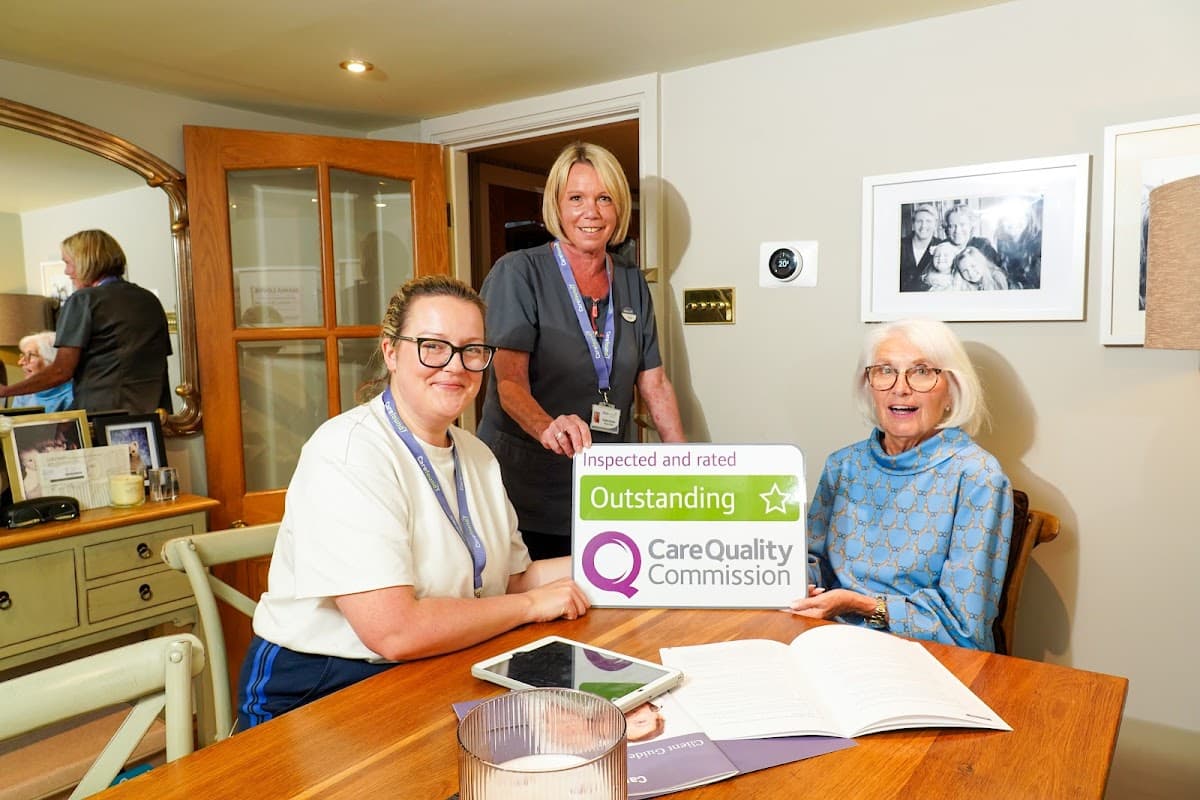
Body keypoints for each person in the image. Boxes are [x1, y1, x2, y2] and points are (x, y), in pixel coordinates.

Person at [238, 275, 590, 730]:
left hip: (436, 664)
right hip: (320, 687)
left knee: (578, 731)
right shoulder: (347, 451)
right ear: (391, 352)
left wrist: (636, 557)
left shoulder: (477, 454)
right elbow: (395, 631)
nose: (455, 366)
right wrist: (532, 607)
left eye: (471, 350)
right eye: (433, 346)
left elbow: (514, 580)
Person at [477, 142, 686, 559]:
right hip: (528, 487)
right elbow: (510, 385)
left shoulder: (630, 280)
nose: (591, 212)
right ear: (556, 206)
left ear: (619, 208)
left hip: (605, 485)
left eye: (604, 198)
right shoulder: (518, 273)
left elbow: (655, 382)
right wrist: (549, 428)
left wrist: (685, 465)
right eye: (576, 198)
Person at [790, 319, 1013, 651]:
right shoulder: (843, 465)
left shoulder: (978, 477)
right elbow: (812, 560)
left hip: (927, 656)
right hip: (829, 642)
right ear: (869, 386)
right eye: (885, 371)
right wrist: (796, 583)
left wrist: (861, 605)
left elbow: (964, 629)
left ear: (952, 390)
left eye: (921, 371)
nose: (900, 388)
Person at [0, 230, 173, 414]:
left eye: (68, 263)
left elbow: (60, 371)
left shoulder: (83, 300)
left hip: (102, 415)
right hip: (150, 415)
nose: (67, 271)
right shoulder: (149, 300)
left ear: (86, 261)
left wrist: (6, 391)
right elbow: (160, 366)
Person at [926, 206, 1000, 289]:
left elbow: (997, 275)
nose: (957, 230)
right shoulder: (941, 249)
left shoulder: (982, 245)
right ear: (947, 229)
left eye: (962, 224)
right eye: (952, 226)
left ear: (971, 226)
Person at [9, 331, 74, 412]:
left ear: (52, 360)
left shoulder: (73, 394)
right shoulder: (23, 394)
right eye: (23, 355)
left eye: (30, 355)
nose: (20, 362)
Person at [995, 201, 1042, 290]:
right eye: (1007, 218)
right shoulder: (1002, 244)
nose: (1013, 222)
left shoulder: (1040, 242)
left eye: (1019, 217)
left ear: (1028, 219)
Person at [899, 205, 943, 292]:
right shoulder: (900, 244)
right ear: (913, 224)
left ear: (935, 225)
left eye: (928, 221)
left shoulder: (941, 246)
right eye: (919, 221)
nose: (923, 226)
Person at [944, 246, 1009, 292]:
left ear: (981, 262)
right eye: (965, 271)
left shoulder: (997, 277)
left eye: (973, 266)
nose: (970, 273)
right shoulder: (966, 284)